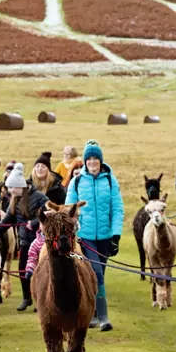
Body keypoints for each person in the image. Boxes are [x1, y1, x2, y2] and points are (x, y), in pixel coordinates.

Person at [66, 140, 124, 332]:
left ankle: (91, 314)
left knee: (99, 276)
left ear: (100, 160)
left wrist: (116, 235)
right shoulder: (76, 182)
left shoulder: (110, 180)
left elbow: (117, 208)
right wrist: (73, 233)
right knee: (95, 272)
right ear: (84, 161)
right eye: (88, 158)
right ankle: (104, 317)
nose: (92, 162)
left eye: (95, 158)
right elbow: (69, 210)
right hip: (85, 236)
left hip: (106, 237)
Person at [0, 163, 47, 312]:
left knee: (41, 270)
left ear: (19, 186)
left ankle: (40, 300)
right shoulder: (14, 200)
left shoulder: (39, 197)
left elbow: (49, 214)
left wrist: (35, 223)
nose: (9, 191)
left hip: (41, 239)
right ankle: (26, 298)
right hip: (25, 239)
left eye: (12, 188)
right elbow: (7, 221)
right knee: (23, 269)